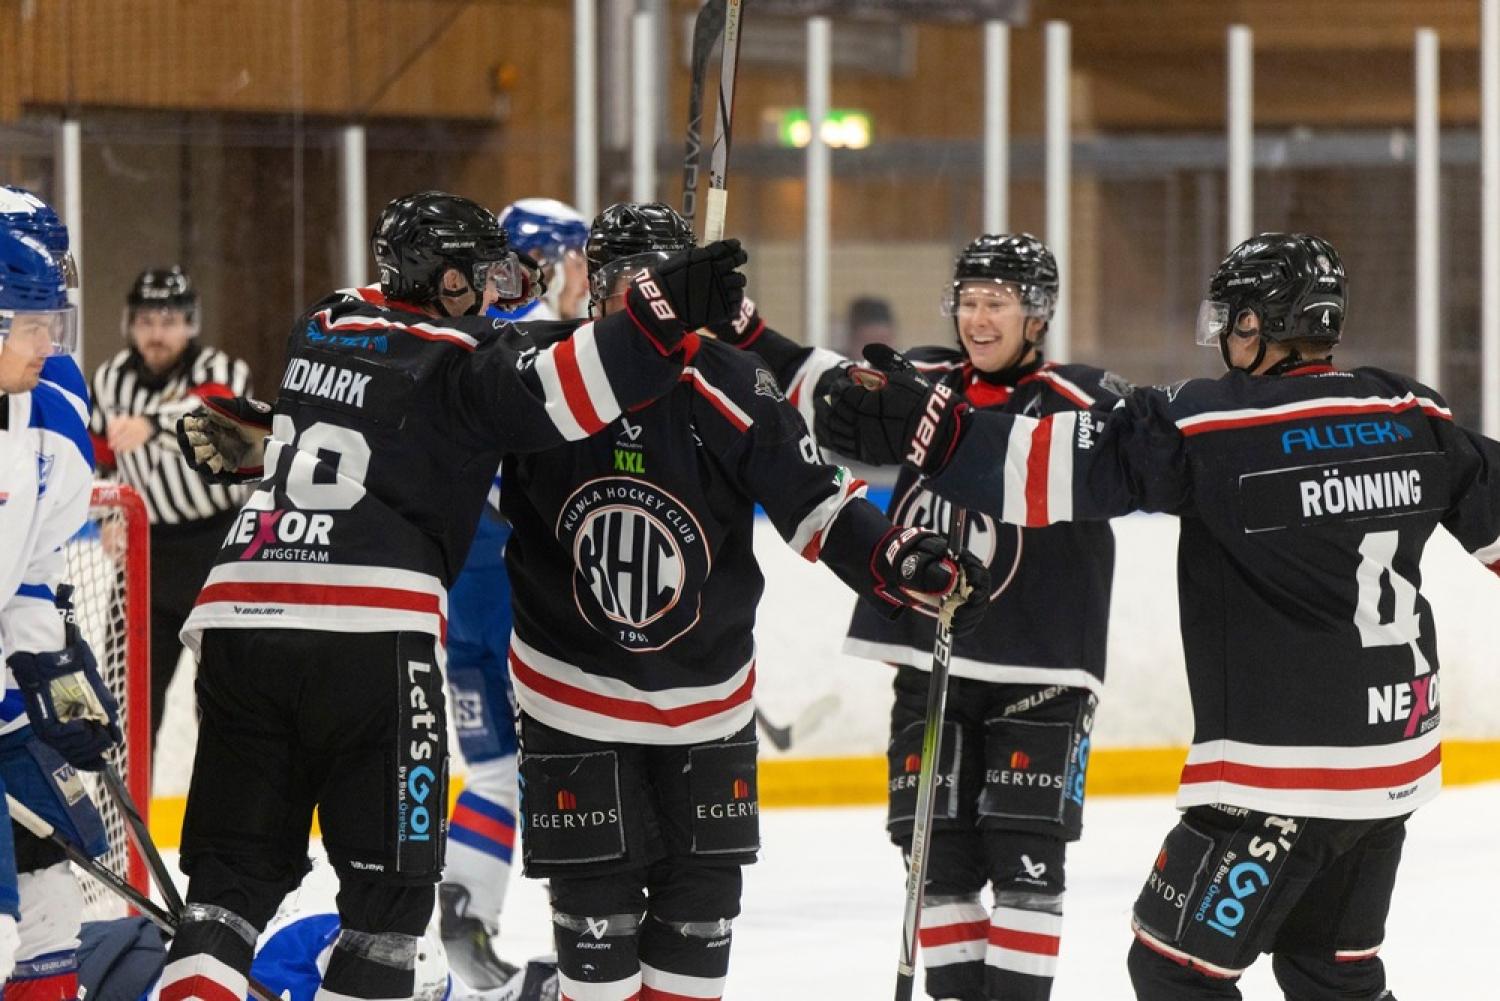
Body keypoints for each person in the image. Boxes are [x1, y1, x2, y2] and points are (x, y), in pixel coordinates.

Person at [820, 232, 1500, 1000]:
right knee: (1328, 969)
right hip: (1397, 760)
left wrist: (936, 435)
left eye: (1236, 319)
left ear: (1258, 325)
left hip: (1283, 777)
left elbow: (1046, 471)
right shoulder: (1411, 410)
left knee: (1173, 969)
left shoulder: (1211, 424)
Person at [160, 190, 748, 1001]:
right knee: (386, 915)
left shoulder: (322, 321)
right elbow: (574, 387)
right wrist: (665, 311)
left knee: (225, 891)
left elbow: (364, 428)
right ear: (446, 283)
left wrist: (269, 445)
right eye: (481, 273)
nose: (496, 288)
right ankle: (450, 916)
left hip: (237, 616)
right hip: (372, 634)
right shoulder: (467, 359)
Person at [498, 201, 991, 1001]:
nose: (634, 300)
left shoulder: (729, 381)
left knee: (691, 967)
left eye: (653, 285)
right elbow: (421, 434)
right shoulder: (535, 372)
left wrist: (896, 559)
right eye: (619, 282)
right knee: (601, 967)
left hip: (707, 711)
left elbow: (818, 503)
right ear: (592, 289)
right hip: (572, 701)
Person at [713, 233, 1129, 1001]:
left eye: (996, 302)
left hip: (1041, 671)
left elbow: (1133, 462)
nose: (977, 316)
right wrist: (739, 326)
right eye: (968, 300)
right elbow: (811, 384)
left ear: (1037, 316)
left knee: (1028, 862)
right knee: (936, 863)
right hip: (930, 659)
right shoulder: (924, 380)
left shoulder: (1086, 401)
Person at [436, 195, 591, 987]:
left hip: (459, 586)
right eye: (581, 262)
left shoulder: (463, 334)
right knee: (574, 764)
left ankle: (462, 914)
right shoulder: (546, 348)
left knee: (494, 767)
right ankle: (589, 939)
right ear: (555, 262)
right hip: (519, 587)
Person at [0, 223, 123, 1001]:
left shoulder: (46, 412)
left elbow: (31, 575)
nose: (50, 342)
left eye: (55, 320)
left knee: (51, 894)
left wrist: (56, 680)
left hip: (6, 698)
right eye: (33, 323)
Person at [87, 266, 253, 747]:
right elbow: (99, 458)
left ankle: (224, 820)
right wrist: (110, 513)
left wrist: (153, 424)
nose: (157, 333)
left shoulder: (222, 369)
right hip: (145, 556)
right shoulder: (110, 380)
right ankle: (121, 823)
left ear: (190, 323)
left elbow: (225, 418)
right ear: (129, 323)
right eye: (146, 321)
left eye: (168, 320)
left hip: (217, 552)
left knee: (229, 706)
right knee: (124, 706)